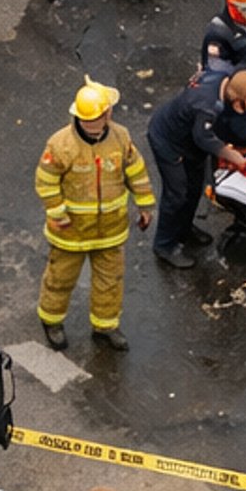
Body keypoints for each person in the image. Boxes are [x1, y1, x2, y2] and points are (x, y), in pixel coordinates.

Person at [34, 83, 153, 354]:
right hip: (70, 232)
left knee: (110, 282)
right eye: (89, 120)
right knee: (60, 279)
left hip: (110, 230)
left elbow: (136, 171)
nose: (93, 124)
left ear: (108, 114)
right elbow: (46, 182)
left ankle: (105, 326)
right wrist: (57, 213)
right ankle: (51, 321)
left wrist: (145, 206)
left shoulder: (121, 138)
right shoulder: (60, 144)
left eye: (97, 118)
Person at [147, 67, 246, 269]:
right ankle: (164, 245)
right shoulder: (206, 106)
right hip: (168, 142)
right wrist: (235, 157)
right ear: (235, 98)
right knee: (177, 194)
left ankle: (184, 229)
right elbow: (204, 138)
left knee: (194, 186)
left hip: (188, 141)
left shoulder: (222, 78)